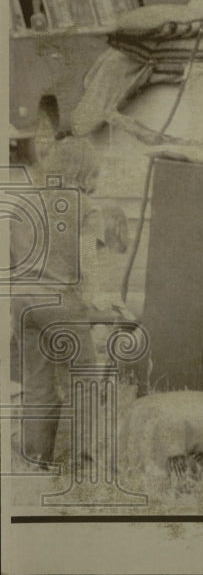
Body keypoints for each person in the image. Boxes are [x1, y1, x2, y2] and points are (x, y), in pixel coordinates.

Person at [9, 137, 130, 468]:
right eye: (95, 174)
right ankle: (81, 460)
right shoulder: (85, 207)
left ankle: (36, 458)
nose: (96, 181)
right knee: (85, 381)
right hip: (61, 304)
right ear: (83, 172)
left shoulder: (26, 203)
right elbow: (87, 263)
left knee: (36, 385)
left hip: (22, 304)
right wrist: (103, 299)